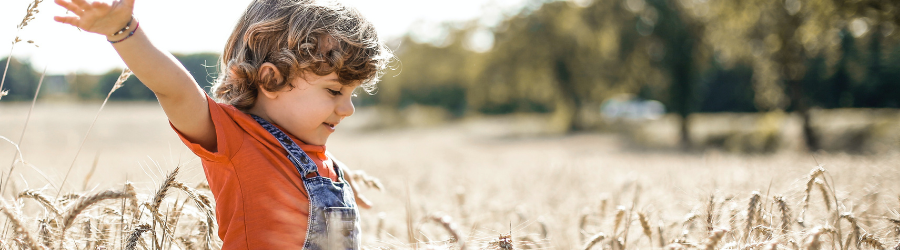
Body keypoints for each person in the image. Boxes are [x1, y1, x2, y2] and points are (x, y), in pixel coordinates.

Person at [52, 0, 392, 249]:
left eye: (352, 94)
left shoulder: (318, 157)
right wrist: (123, 31)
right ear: (271, 80)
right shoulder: (237, 141)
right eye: (334, 90)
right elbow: (176, 91)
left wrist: (337, 175)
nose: (347, 109)